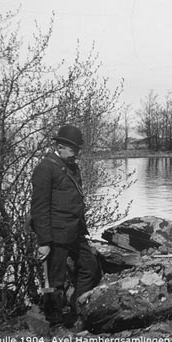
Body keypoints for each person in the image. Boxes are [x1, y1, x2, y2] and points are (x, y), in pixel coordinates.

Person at [31, 125, 102, 326]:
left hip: (75, 231)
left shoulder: (71, 166)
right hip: (55, 235)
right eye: (74, 150)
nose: (77, 154)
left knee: (90, 267)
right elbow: (39, 209)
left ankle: (77, 310)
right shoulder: (45, 168)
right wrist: (44, 241)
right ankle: (53, 323)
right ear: (61, 147)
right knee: (55, 282)